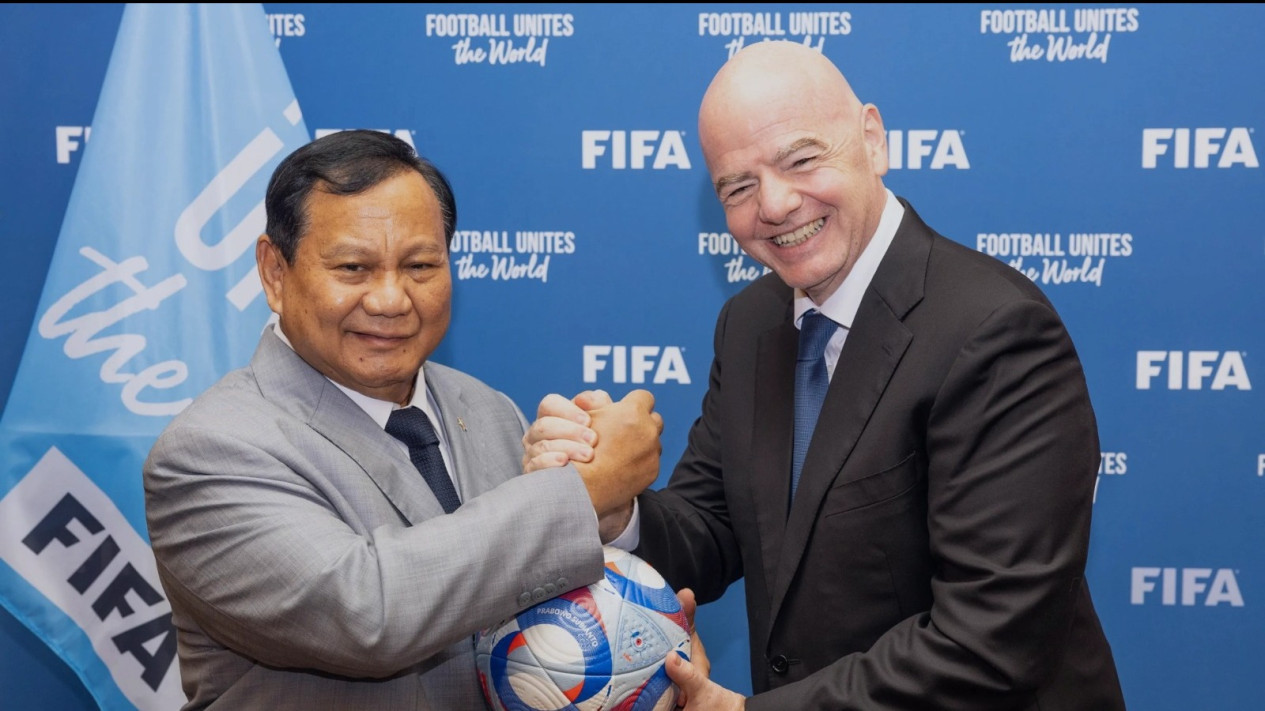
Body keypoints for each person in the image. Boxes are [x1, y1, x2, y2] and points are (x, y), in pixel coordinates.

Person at [525, 41, 1127, 709]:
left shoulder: (995, 331)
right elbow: (714, 524)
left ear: (872, 140)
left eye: (801, 160)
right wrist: (615, 510)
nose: (775, 204)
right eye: (738, 186)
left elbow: (990, 640)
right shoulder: (749, 322)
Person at [142, 129, 668, 709]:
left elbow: (530, 605)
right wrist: (582, 493)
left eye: (420, 265)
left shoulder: (489, 410)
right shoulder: (208, 450)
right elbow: (365, 615)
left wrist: (642, 635)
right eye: (353, 267)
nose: (391, 300)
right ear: (274, 272)